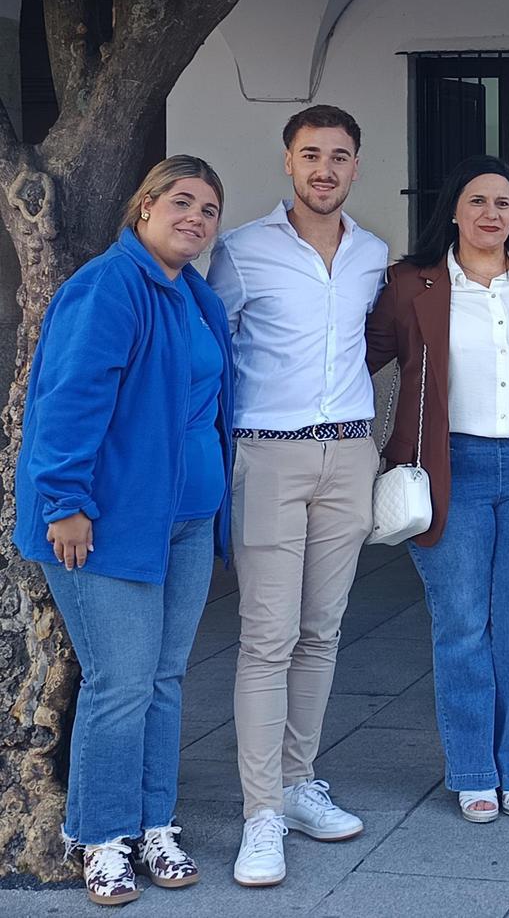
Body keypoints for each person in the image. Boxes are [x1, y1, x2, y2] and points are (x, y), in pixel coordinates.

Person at [15, 157, 233, 906]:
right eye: (181, 201)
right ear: (144, 207)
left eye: (209, 209)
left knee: (165, 681)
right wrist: (65, 502)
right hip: (105, 525)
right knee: (122, 683)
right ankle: (101, 837)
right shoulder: (111, 286)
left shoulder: (193, 297)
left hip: (186, 522)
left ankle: (152, 823)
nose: (196, 219)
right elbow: (69, 398)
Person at [365, 155, 509, 823]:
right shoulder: (414, 284)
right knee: (463, 625)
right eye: (478, 201)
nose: (492, 213)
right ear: (453, 209)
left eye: (504, 202)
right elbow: (357, 358)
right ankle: (473, 769)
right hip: (451, 474)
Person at [207, 105, 387, 887]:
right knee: (267, 637)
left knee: (322, 631)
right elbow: (210, 355)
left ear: (355, 167)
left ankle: (296, 781)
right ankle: (260, 817)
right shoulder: (241, 252)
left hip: (350, 454)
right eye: (310, 154)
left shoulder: (374, 255)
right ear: (288, 162)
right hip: (268, 458)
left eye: (339, 156)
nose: (325, 169)